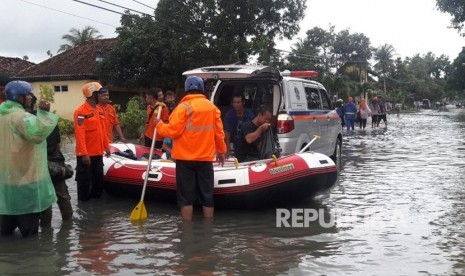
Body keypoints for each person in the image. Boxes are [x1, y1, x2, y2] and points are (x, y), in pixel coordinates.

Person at [155, 76, 226, 221]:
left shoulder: (182, 108)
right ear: (201, 89)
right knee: (207, 195)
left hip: (185, 159)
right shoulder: (212, 108)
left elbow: (172, 131)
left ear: (187, 89)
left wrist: (159, 124)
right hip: (205, 159)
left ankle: (186, 231)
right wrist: (221, 151)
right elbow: (219, 133)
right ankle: (208, 226)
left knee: (186, 197)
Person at [0, 81, 58, 237]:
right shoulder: (21, 117)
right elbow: (37, 134)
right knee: (29, 235)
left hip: (5, 185)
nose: (31, 98)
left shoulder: (2, 115)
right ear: (19, 98)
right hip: (26, 184)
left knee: (5, 233)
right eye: (28, 95)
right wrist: (44, 114)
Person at [74, 82, 111, 202]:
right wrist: (84, 154)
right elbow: (80, 134)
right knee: (84, 185)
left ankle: (96, 213)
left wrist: (107, 147)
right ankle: (84, 209)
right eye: (99, 93)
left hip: (98, 154)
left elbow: (103, 131)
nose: (102, 96)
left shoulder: (99, 110)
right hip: (86, 156)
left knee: (98, 184)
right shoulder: (81, 112)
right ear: (92, 95)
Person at [39, 101, 74, 228]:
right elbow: (58, 144)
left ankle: (45, 228)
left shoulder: (34, 123)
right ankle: (68, 225)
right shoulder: (53, 123)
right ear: (48, 110)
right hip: (56, 166)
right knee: (63, 196)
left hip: (42, 166)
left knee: (45, 199)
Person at [223, 92, 254, 158]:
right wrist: (227, 150)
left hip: (248, 142)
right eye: (234, 102)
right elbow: (227, 132)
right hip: (236, 142)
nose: (236, 104)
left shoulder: (249, 115)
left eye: (238, 102)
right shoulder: (229, 115)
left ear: (243, 103)